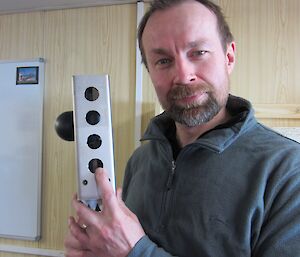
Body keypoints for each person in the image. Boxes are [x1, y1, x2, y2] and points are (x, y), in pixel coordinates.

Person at [64, 0, 300, 256]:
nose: (183, 75)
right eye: (163, 61)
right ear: (151, 72)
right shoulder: (140, 161)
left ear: (229, 57)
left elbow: (131, 249)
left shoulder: (288, 169)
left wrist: (135, 252)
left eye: (198, 52)